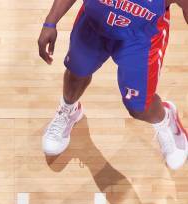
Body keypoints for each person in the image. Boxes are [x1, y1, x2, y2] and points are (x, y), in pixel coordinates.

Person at [38, 0, 188, 169]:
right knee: (75, 74)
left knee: (139, 108)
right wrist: (51, 21)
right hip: (93, 24)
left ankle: (166, 119)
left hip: (140, 39)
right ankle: (69, 110)